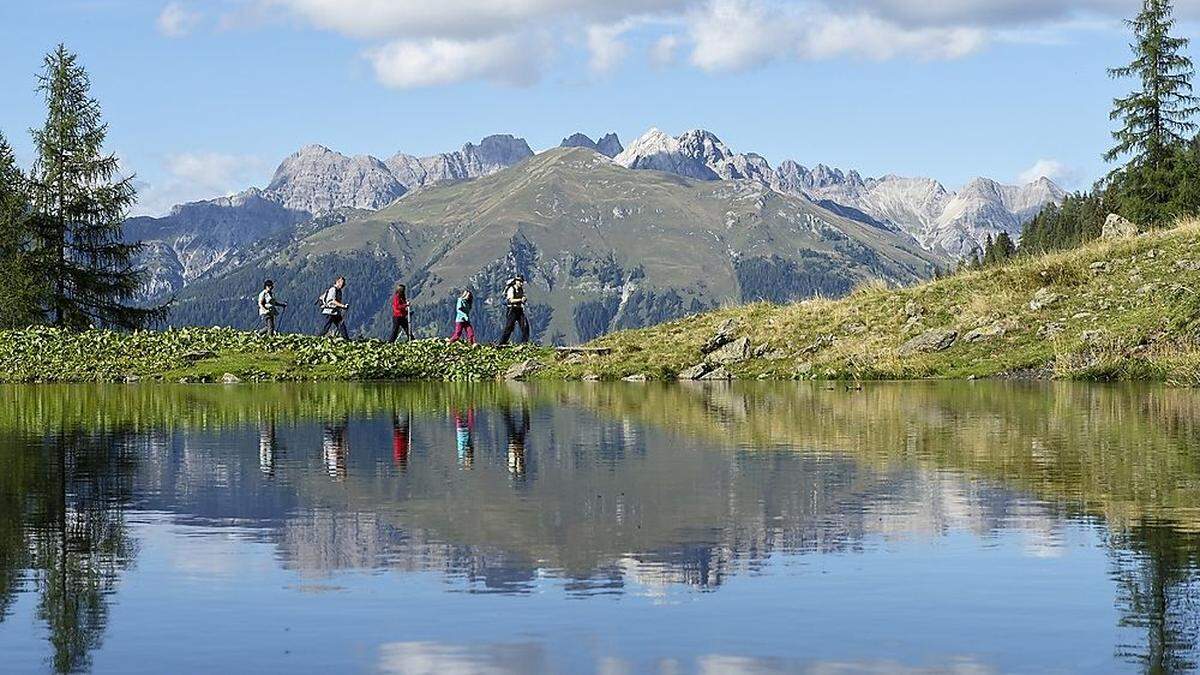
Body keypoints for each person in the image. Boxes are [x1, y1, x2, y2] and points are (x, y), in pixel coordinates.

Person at [496, 275, 530, 345]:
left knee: (525, 326)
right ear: (516, 281)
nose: (521, 283)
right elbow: (510, 300)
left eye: (522, 282)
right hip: (512, 310)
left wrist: (523, 299)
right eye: (520, 281)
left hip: (519, 309)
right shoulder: (511, 289)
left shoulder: (520, 289)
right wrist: (521, 300)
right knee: (509, 327)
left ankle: (524, 343)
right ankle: (502, 343)